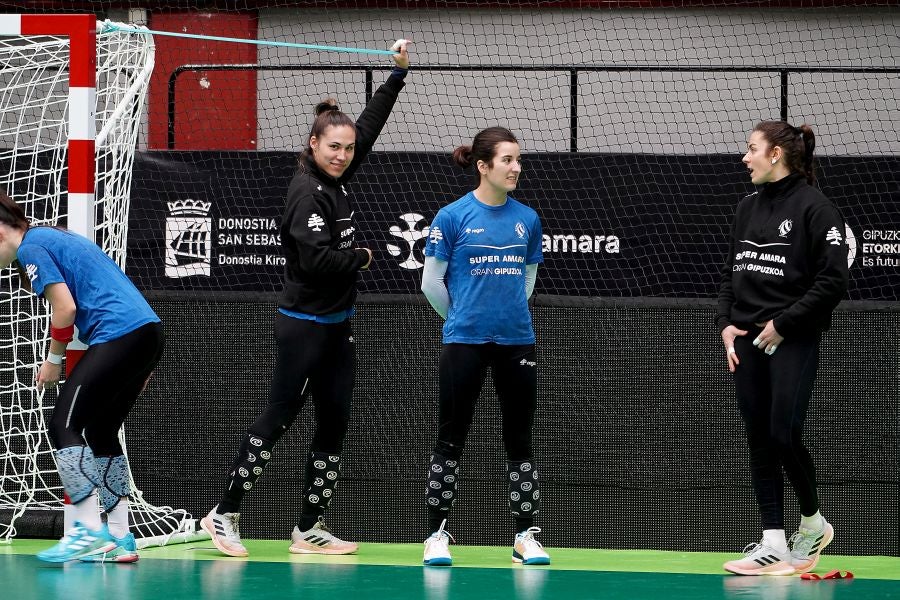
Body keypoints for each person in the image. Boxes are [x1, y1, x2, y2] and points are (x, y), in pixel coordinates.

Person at [200, 40, 410, 558]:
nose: (342, 154)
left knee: (334, 419)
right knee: (277, 419)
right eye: (332, 147)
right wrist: (361, 258)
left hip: (338, 326)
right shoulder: (306, 191)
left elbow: (368, 127)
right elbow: (316, 261)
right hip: (303, 327)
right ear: (313, 144)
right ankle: (223, 513)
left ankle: (308, 529)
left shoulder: (338, 175)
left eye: (346, 148)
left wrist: (397, 76)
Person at [0, 191, 164, 563]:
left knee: (62, 425)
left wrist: (54, 359)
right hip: (146, 334)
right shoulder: (54, 236)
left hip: (122, 334)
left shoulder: (32, 247)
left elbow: (65, 308)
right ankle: (121, 537)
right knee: (101, 431)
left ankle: (87, 526)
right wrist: (141, 360)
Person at [717, 121, 849, 576]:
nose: (744, 157)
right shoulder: (746, 207)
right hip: (748, 341)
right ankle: (772, 540)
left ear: (775, 154)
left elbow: (832, 281)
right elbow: (731, 273)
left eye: (751, 149)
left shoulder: (817, 209)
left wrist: (783, 324)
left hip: (792, 339)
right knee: (757, 438)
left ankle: (813, 523)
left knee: (782, 433)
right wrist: (726, 326)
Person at [419, 127, 549, 567]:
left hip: (517, 342)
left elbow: (527, 282)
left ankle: (524, 537)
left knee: (520, 441)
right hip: (464, 344)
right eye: (507, 160)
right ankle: (435, 536)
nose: (516, 168)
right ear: (483, 166)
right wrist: (461, 319)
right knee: (450, 439)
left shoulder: (528, 219)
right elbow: (431, 282)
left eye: (518, 160)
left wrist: (504, 313)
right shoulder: (452, 217)